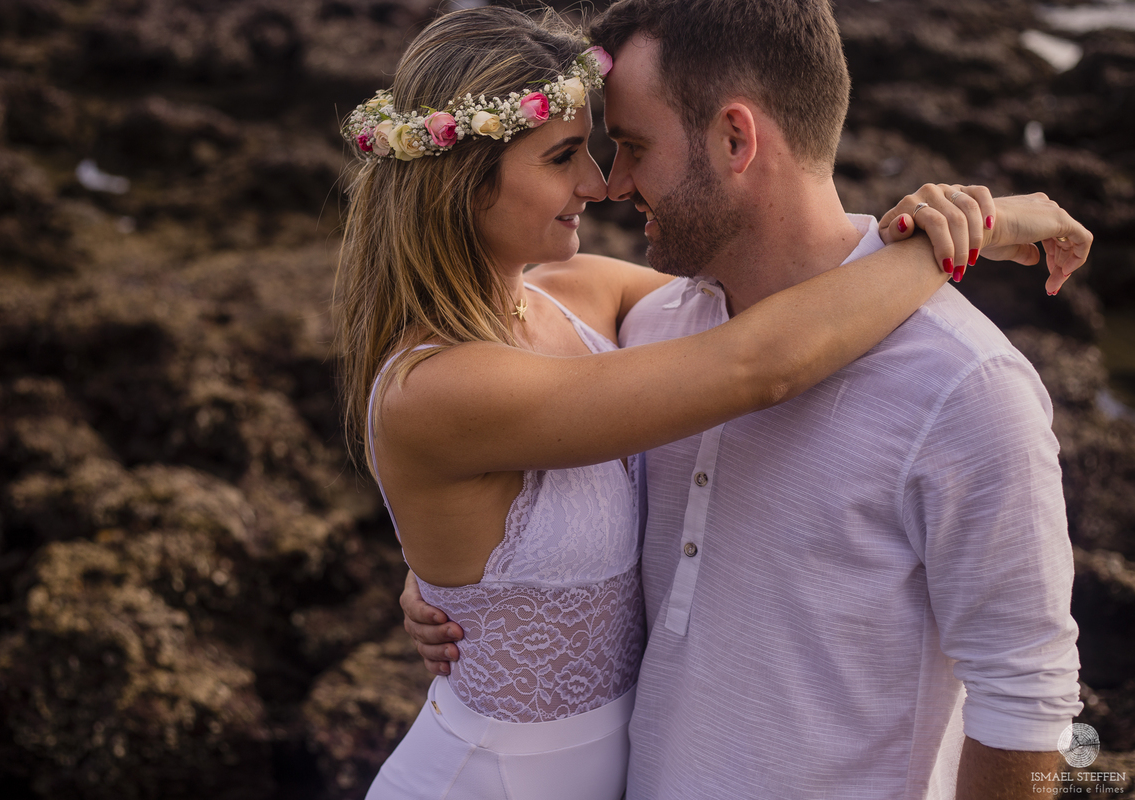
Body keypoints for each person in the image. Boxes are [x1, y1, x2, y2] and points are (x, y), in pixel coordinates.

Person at [399, 2, 1093, 799]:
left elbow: (1028, 702)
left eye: (629, 146)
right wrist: (450, 576)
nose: (611, 184)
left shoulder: (965, 387)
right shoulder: (656, 332)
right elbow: (747, 365)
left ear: (736, 139)